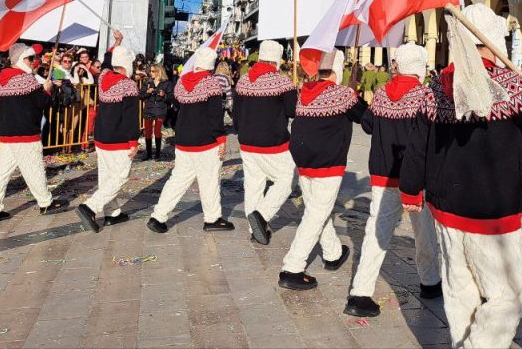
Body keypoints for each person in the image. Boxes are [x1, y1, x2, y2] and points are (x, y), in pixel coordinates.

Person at [399, 4, 522, 349]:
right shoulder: (510, 86)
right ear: (492, 40)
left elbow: (418, 143)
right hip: (492, 213)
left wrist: (411, 190)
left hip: (445, 208)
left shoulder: (437, 87)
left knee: (460, 293)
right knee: (508, 298)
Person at [344, 43, 441, 318]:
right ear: (421, 67)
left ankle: (360, 293)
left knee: (377, 232)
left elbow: (368, 125)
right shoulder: (426, 96)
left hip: (382, 175)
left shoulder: (382, 93)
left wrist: (356, 100)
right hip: (416, 178)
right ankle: (430, 281)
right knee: (424, 232)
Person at [279, 50, 365, 290]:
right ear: (337, 70)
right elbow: (365, 118)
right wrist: (353, 93)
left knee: (317, 208)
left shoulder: (305, 91)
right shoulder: (342, 94)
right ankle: (292, 267)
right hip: (328, 162)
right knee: (316, 214)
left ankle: (332, 252)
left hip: (303, 159)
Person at [147, 48, 234, 233]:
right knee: (209, 180)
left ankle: (158, 216)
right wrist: (221, 138)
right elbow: (214, 115)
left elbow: (176, 104)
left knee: (177, 180)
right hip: (205, 140)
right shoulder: (211, 83)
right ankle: (212, 218)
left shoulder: (182, 81)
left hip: (183, 138)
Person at [0, 43, 68, 223]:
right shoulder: (26, 79)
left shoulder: (4, 76)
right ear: (21, 59)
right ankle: (46, 203)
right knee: (34, 168)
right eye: (30, 58)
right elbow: (42, 102)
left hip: (8, 133)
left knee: (1, 172)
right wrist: (48, 89)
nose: (33, 61)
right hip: (25, 132)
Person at [232, 40, 297, 245]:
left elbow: (235, 112)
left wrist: (241, 132)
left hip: (247, 142)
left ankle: (255, 230)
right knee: (288, 178)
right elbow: (292, 111)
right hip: (273, 143)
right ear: (276, 59)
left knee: (253, 186)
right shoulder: (282, 82)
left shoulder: (243, 80)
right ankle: (262, 215)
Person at [75, 45, 141, 232]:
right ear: (127, 64)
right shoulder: (128, 85)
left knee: (106, 176)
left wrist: (115, 43)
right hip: (119, 138)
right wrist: (133, 141)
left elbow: (105, 62)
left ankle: (113, 213)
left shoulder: (104, 76)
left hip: (101, 135)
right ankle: (90, 207)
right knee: (120, 176)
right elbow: (130, 116)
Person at [141, 63, 172, 161]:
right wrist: (147, 92)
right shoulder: (147, 82)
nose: (151, 73)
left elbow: (171, 97)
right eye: (150, 71)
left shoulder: (167, 83)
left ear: (159, 71)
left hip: (160, 109)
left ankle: (158, 154)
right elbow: (141, 96)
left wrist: (164, 95)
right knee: (148, 132)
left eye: (153, 71)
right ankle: (149, 154)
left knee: (157, 131)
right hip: (149, 109)